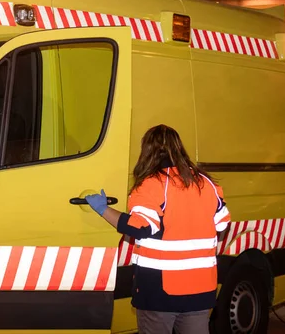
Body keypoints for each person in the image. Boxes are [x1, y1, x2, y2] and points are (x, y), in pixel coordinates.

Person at [85, 124, 231, 334]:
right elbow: (223, 223)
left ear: (147, 151)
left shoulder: (152, 185)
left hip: (161, 291)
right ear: (179, 148)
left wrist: (103, 209)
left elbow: (141, 227)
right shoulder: (204, 183)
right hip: (201, 288)